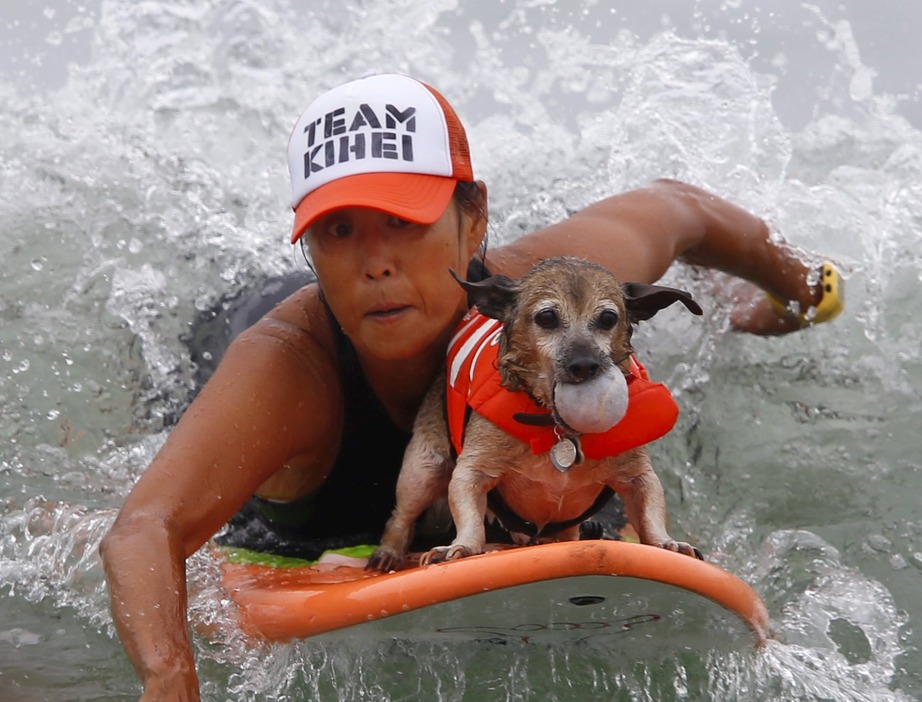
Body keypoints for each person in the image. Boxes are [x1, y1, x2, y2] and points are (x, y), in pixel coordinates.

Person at [99, 73, 843, 699]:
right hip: (230, 352)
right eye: (338, 231)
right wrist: (171, 681)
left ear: (472, 216)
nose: (375, 263)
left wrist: (809, 297)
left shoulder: (551, 278)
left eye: (403, 220)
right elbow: (140, 533)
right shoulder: (289, 371)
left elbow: (683, 208)